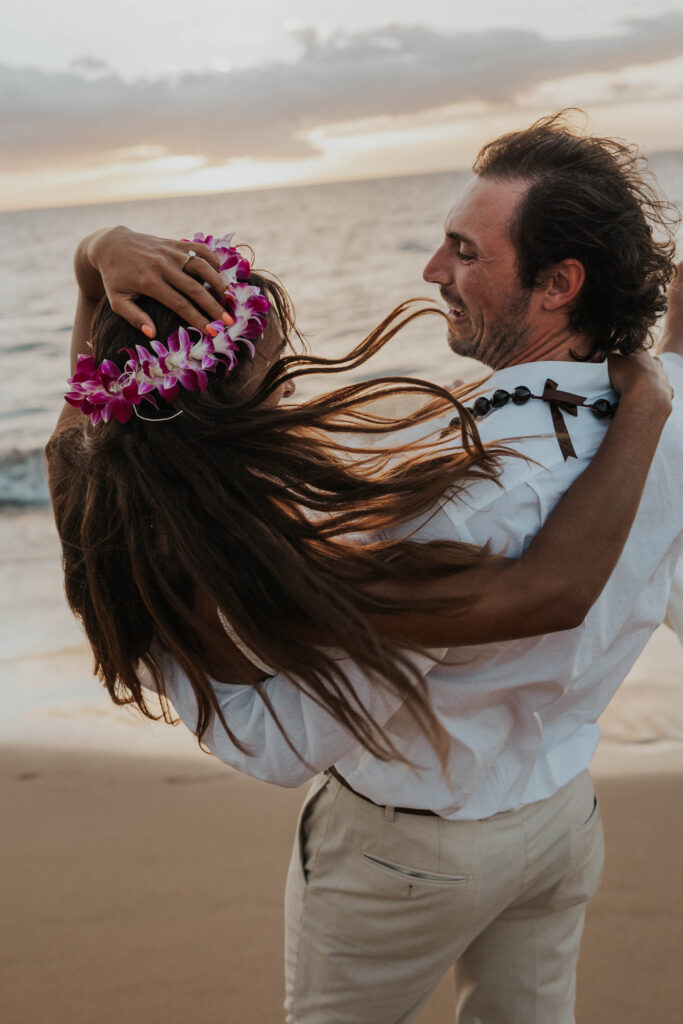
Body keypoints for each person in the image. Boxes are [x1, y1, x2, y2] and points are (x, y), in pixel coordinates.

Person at [47, 118, 681, 1024]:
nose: (429, 270)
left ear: (557, 285)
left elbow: (285, 742)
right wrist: (651, 392)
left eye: (463, 249)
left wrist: (93, 256)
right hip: (559, 820)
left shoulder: (458, 498)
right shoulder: (657, 403)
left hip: (410, 859)